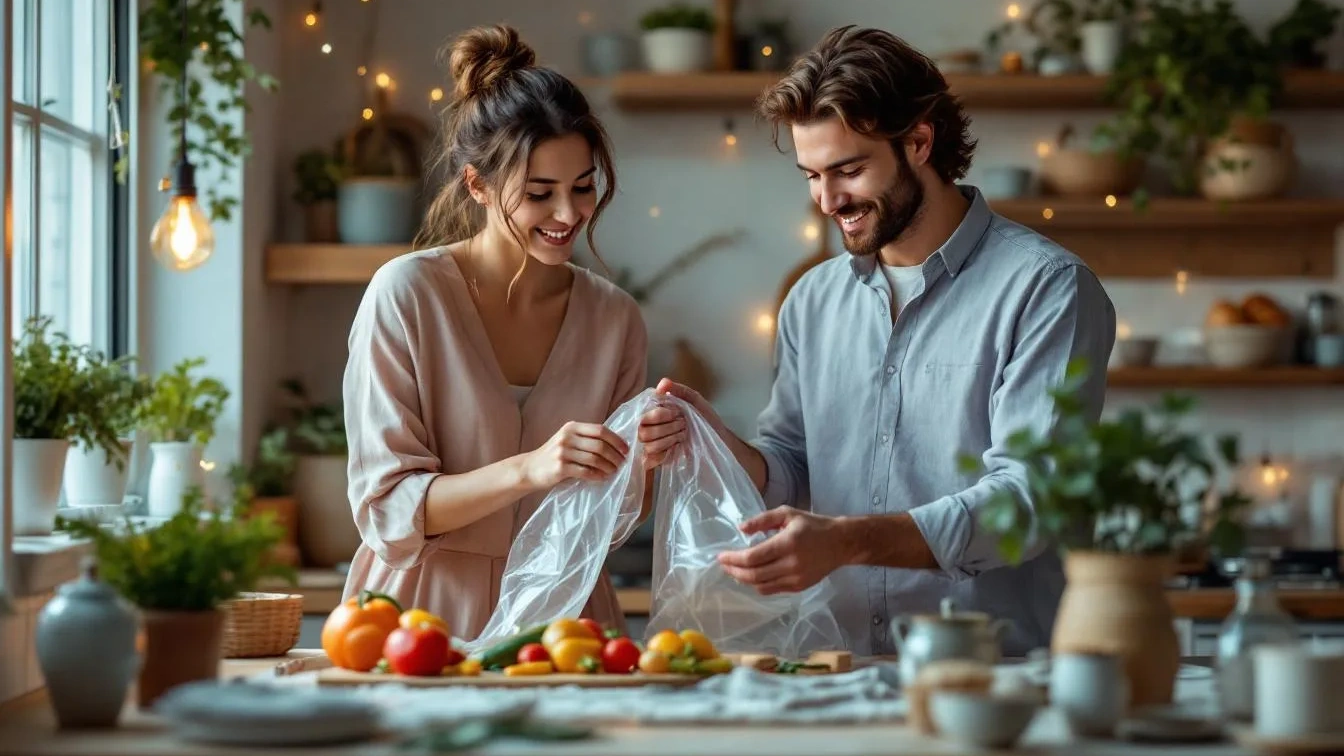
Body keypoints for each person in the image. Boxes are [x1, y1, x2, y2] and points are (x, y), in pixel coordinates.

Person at [648, 26, 1116, 656]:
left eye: (848, 170)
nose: (826, 200)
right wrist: (720, 444)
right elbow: (792, 465)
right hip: (839, 669)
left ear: (919, 141)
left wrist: (849, 540)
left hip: (994, 676)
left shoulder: (1048, 288)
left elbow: (1027, 502)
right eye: (812, 175)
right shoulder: (811, 301)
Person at [341, 25, 686, 641]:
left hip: (567, 620)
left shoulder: (614, 319)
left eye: (582, 187)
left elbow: (610, 520)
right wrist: (531, 469)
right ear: (477, 185)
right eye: (538, 194)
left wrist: (645, 460)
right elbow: (389, 508)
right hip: (421, 620)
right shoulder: (407, 295)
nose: (567, 215)